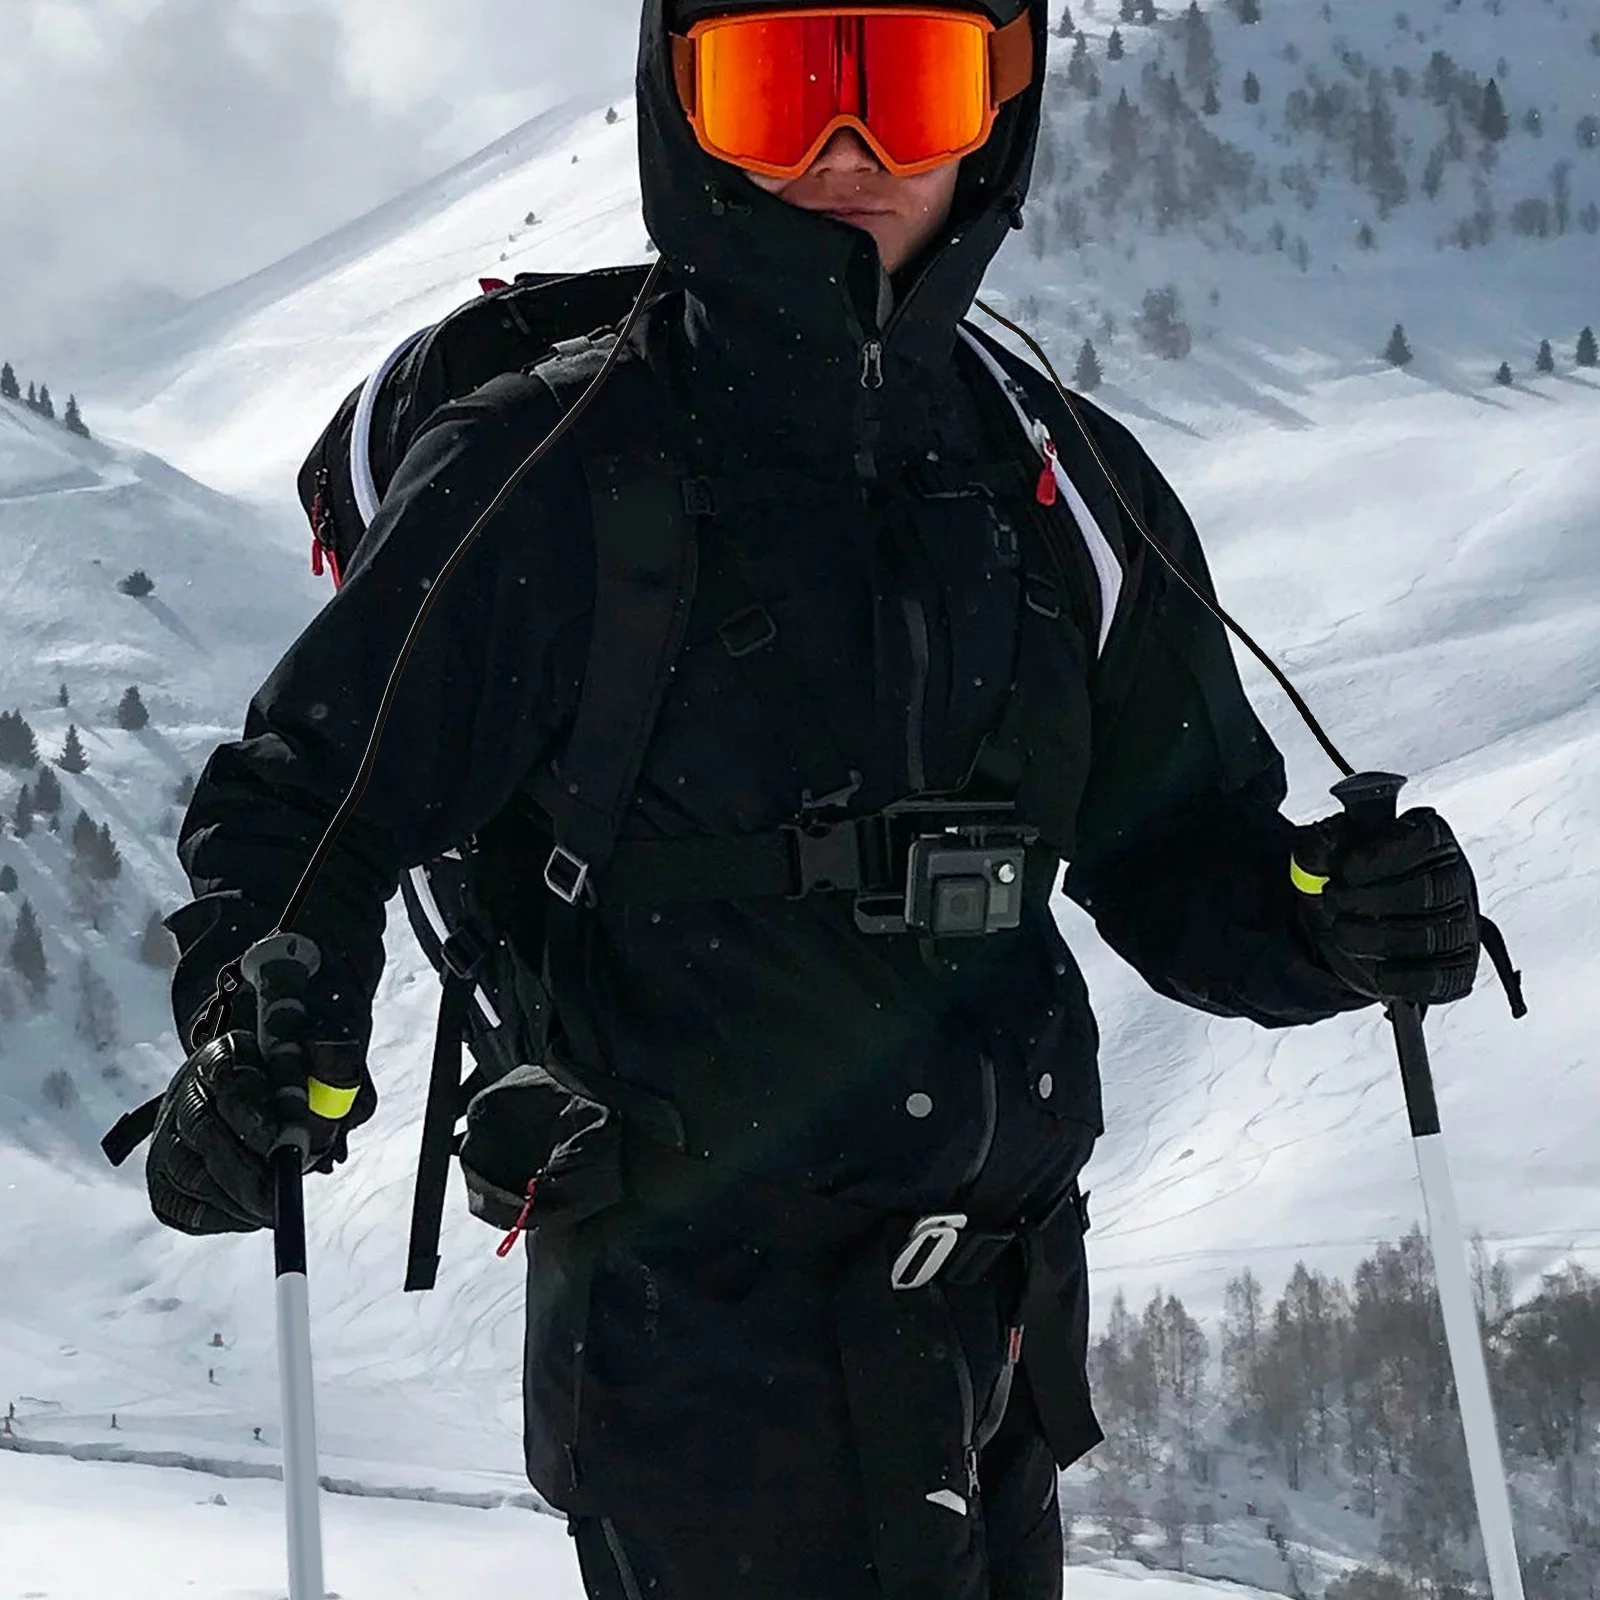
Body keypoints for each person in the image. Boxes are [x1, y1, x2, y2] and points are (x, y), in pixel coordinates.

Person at [138, 3, 1483, 1597]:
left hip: (997, 1334)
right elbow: (311, 798)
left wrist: (1331, 920)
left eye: (906, 82)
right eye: (781, 87)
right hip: (707, 1363)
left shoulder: (1056, 478)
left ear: (996, 113)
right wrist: (264, 1016)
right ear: (684, 115)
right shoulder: (557, 473)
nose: (849, 150)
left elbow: (1182, 852)